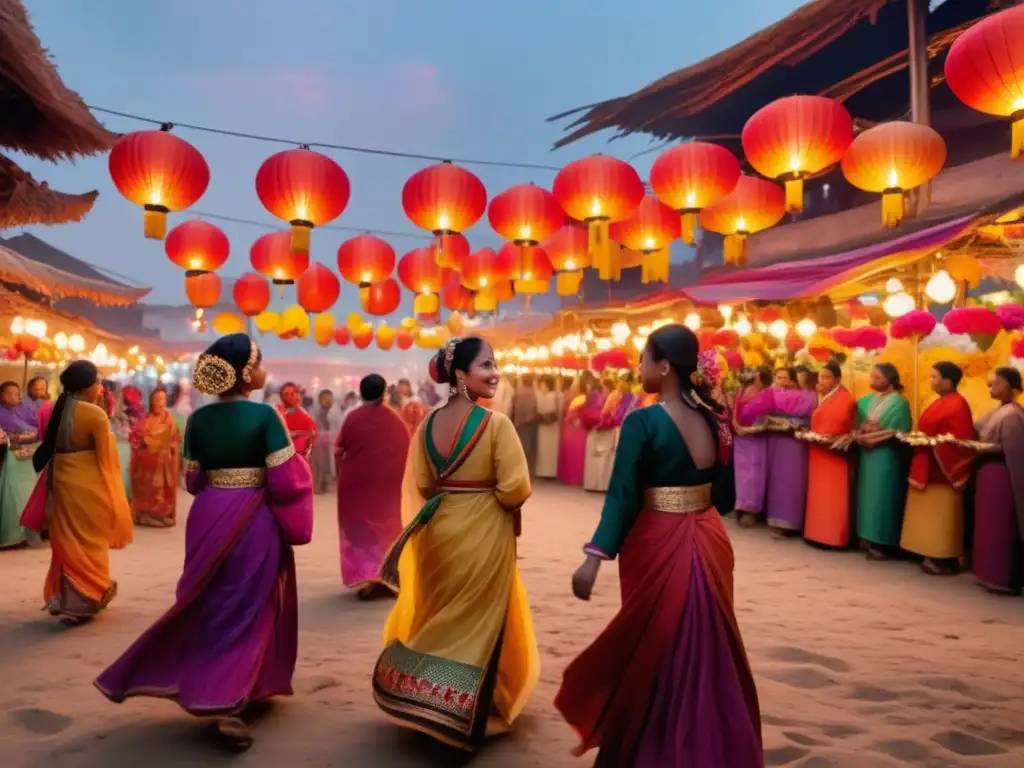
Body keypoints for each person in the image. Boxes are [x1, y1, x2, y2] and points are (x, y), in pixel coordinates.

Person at [95, 333, 314, 751]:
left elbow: (193, 481)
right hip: (252, 516)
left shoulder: (197, 420)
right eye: (260, 362)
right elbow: (286, 483)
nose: (265, 370)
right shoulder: (267, 417)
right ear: (246, 373)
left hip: (209, 513)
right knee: (247, 604)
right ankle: (226, 697)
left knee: (211, 598)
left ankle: (207, 678)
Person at [555, 325, 760, 766]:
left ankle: (658, 744)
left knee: (657, 642)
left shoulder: (642, 420)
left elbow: (624, 496)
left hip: (658, 538)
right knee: (707, 645)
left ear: (665, 366)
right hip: (709, 538)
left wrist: (594, 557)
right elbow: (723, 498)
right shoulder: (714, 418)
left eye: (644, 358)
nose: (639, 366)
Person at [372, 336, 539, 752]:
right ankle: (458, 716)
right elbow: (515, 487)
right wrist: (489, 499)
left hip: (438, 532)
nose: (495, 372)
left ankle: (418, 695)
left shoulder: (428, 423)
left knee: (441, 614)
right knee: (478, 624)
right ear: (461, 376)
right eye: (486, 365)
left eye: (495, 363)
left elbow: (424, 484)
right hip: (483, 531)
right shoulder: (495, 423)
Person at [20, 361, 133, 620]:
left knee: (66, 540)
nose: (101, 388)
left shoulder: (51, 409)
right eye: (98, 383)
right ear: (87, 386)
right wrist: (115, 495)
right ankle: (85, 595)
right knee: (89, 539)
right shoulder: (95, 415)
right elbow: (107, 460)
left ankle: (64, 596)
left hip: (60, 480)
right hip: (88, 485)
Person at [335, 374, 410, 599]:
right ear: (384, 392)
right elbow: (406, 449)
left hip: (356, 485)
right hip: (388, 486)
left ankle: (368, 577)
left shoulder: (352, 418)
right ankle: (388, 577)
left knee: (361, 531)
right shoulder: (395, 420)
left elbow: (339, 449)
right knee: (388, 528)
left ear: (361, 392)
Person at [900, 362, 975, 575]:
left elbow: (960, 441)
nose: (931, 381)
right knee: (928, 515)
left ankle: (943, 558)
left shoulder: (958, 404)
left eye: (935, 377)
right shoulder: (940, 402)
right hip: (927, 462)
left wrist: (931, 443)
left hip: (942, 469)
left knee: (942, 515)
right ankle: (927, 552)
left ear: (948, 380)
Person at [741, 365, 818, 534]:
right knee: (777, 479)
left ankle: (790, 522)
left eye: (796, 377)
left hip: (795, 443)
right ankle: (773, 517)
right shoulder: (777, 393)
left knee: (792, 480)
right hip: (776, 440)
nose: (790, 381)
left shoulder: (810, 397)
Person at [971, 367, 1024, 594]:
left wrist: (983, 447)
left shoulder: (1012, 414)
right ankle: (987, 573)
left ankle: (1002, 577)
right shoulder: (999, 410)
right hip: (989, 477)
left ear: (1011, 388)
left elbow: (1013, 450)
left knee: (1001, 527)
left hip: (1002, 478)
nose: (990, 387)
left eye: (995, 384)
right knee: (988, 527)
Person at [853, 363, 913, 560]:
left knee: (883, 497)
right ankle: (866, 537)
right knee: (867, 498)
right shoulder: (866, 400)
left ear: (889, 379)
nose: (872, 380)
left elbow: (898, 431)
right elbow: (856, 422)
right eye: (872, 376)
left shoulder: (899, 403)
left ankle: (883, 542)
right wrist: (860, 432)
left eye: (877, 377)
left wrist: (870, 437)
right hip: (867, 457)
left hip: (887, 456)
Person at [802, 359, 858, 548]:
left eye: (826, 377)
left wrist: (820, 437)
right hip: (819, 452)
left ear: (838, 379)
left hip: (833, 454)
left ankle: (833, 537)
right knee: (819, 495)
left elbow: (838, 424)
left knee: (833, 496)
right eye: (820, 377)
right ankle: (817, 534)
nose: (822, 381)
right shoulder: (827, 397)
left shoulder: (844, 399)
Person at [129, 388, 181, 528]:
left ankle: (162, 515)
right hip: (146, 465)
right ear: (152, 402)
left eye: (163, 399)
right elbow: (134, 437)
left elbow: (175, 441)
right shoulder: (145, 420)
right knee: (145, 488)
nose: (160, 403)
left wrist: (164, 446)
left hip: (164, 464)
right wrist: (144, 441)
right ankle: (144, 514)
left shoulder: (170, 421)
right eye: (157, 400)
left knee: (161, 489)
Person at [733, 367, 771, 527]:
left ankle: (748, 510)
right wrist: (738, 427)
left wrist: (743, 429)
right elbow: (735, 411)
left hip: (751, 439)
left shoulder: (761, 395)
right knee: (745, 476)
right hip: (746, 439)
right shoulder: (746, 391)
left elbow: (765, 423)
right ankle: (744, 508)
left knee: (749, 476)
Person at [583, 375, 621, 492]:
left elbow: (606, 413)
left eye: (604, 387)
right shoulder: (607, 396)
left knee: (604, 458)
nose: (603, 390)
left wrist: (600, 419)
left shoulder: (613, 396)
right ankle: (600, 484)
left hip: (608, 429)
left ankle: (602, 484)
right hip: (605, 429)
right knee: (603, 458)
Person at [559, 372, 595, 487]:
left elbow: (573, 414)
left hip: (574, 429)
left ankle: (573, 478)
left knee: (574, 453)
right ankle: (572, 477)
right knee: (573, 453)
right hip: (573, 428)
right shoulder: (579, 398)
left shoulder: (580, 398)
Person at [277, 382, 317, 461]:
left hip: (299, 459)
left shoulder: (305, 417)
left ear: (297, 395)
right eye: (286, 394)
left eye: (292, 394)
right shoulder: (276, 414)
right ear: (282, 397)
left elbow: (312, 438)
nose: (289, 397)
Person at [310, 389, 336, 494]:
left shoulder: (330, 412)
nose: (328, 400)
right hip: (317, 441)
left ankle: (324, 484)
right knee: (319, 465)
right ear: (320, 399)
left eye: (330, 398)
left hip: (327, 441)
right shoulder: (315, 412)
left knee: (326, 464)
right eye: (325, 398)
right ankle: (317, 486)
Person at [513, 374, 539, 476]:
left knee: (522, 446)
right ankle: (528, 470)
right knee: (529, 447)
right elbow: (534, 408)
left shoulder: (518, 392)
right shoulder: (532, 393)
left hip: (520, 422)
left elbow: (516, 407)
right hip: (530, 422)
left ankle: (520, 469)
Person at [536, 375, 560, 479]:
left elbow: (559, 411)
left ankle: (550, 472)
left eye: (543, 384)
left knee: (551, 449)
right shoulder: (540, 395)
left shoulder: (556, 395)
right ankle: (542, 470)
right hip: (543, 426)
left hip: (552, 426)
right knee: (542, 448)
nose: (541, 386)